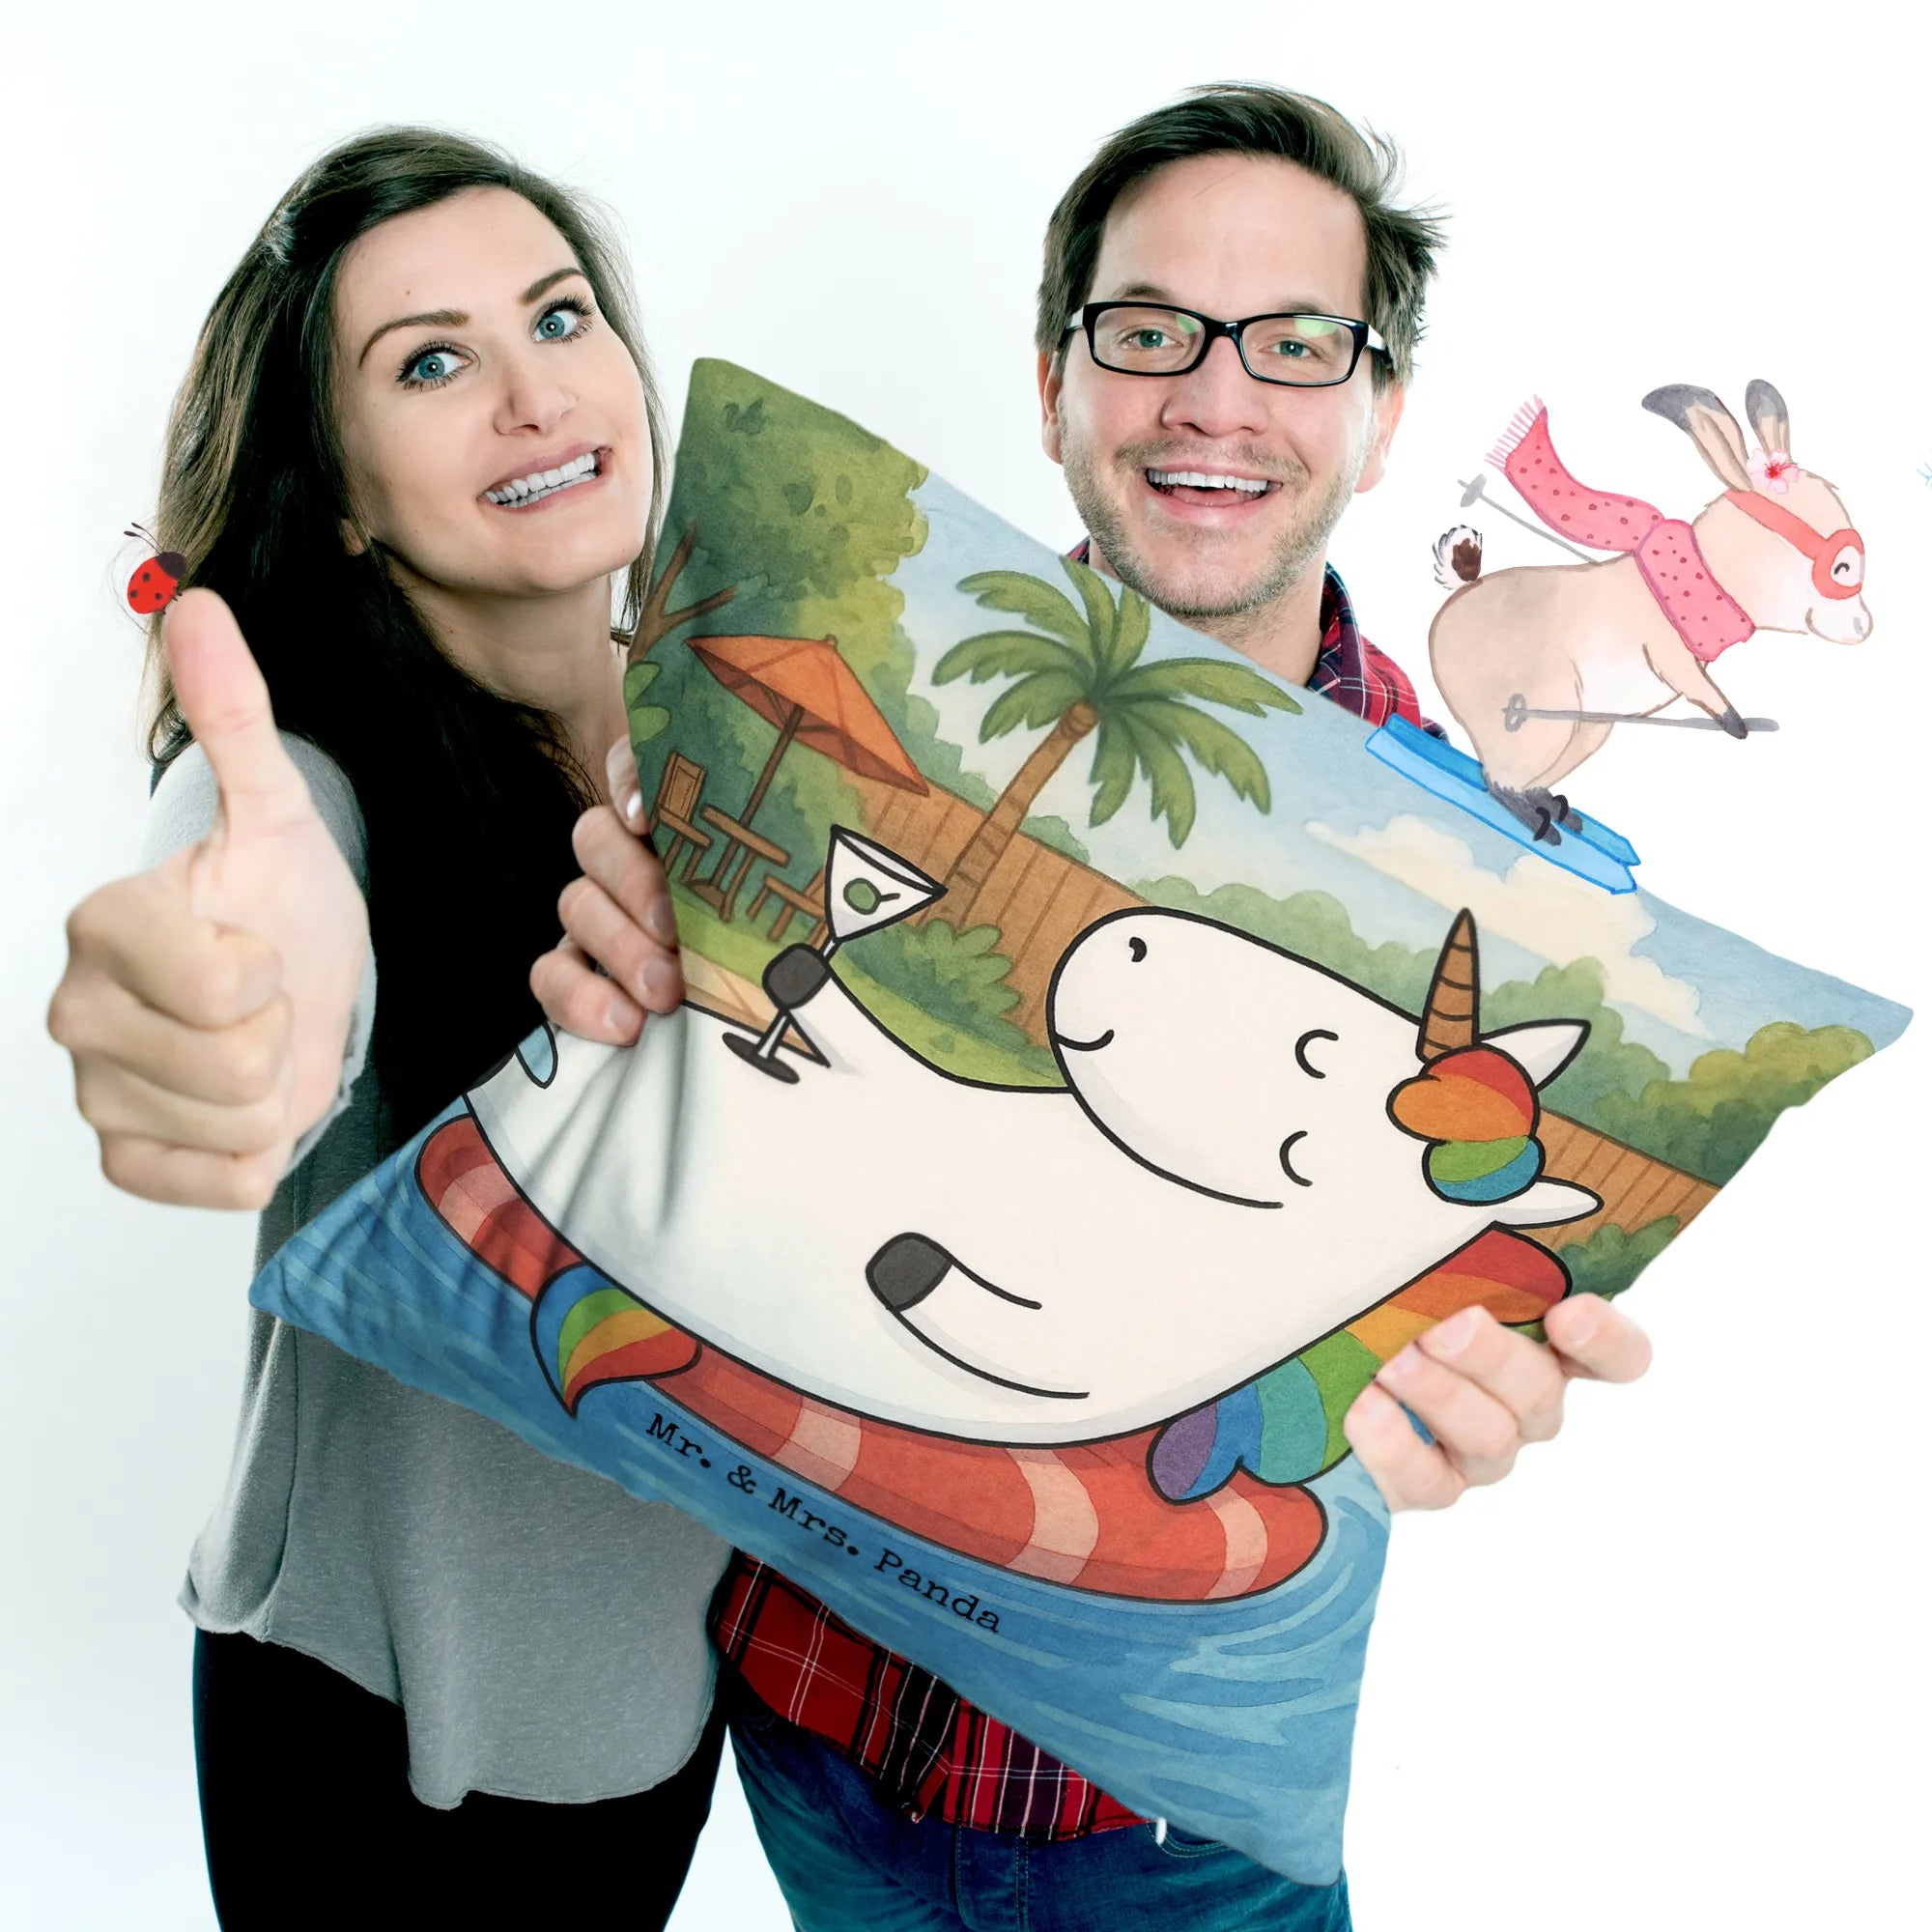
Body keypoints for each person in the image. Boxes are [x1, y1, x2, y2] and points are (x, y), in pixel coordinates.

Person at [536, 84, 1656, 1929]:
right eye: (1150, 332)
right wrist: (626, 995)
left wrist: (1472, 1384)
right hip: (807, 1736)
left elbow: (1426, 1316)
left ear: (1380, 418)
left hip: (1182, 1832)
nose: (1216, 398)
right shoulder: (853, 705)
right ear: (1055, 382)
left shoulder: (1500, 899)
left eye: (1297, 343)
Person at [44, 130, 730, 1928]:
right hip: (380, 1740)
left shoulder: (732, 751)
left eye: (558, 318)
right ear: (343, 496)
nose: (532, 394)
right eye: (430, 363)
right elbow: (255, 896)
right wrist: (223, 995)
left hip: (661, 1703)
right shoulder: (310, 780)